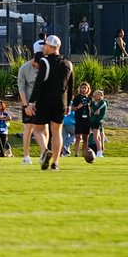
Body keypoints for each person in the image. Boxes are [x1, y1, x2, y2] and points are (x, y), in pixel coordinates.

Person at [26, 35, 73, 171]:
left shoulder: (44, 62)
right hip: (61, 102)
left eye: (45, 45)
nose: (44, 47)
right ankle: (56, 163)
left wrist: (31, 102)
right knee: (57, 131)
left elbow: (39, 83)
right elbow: (70, 86)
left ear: (52, 47)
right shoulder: (68, 63)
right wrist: (69, 104)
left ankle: (45, 150)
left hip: (45, 100)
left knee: (37, 128)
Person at [16, 49, 43, 164]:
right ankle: (26, 155)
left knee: (43, 128)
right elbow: (21, 87)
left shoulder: (46, 67)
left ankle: (43, 154)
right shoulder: (24, 68)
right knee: (28, 128)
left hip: (42, 102)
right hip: (27, 101)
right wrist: (25, 105)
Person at [71, 82, 92, 158]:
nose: (83, 89)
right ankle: (76, 154)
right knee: (78, 138)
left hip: (87, 120)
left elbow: (92, 109)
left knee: (86, 138)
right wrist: (78, 107)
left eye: (85, 88)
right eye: (82, 88)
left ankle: (84, 154)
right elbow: (72, 108)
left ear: (88, 89)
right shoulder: (77, 98)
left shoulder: (89, 99)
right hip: (79, 120)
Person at [89, 89, 108, 157]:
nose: (94, 97)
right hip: (95, 121)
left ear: (100, 95)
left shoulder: (102, 103)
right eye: (93, 96)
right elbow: (94, 111)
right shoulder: (95, 103)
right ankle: (99, 152)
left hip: (97, 121)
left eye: (95, 96)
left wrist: (94, 113)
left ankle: (99, 152)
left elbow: (97, 111)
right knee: (98, 137)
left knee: (95, 138)